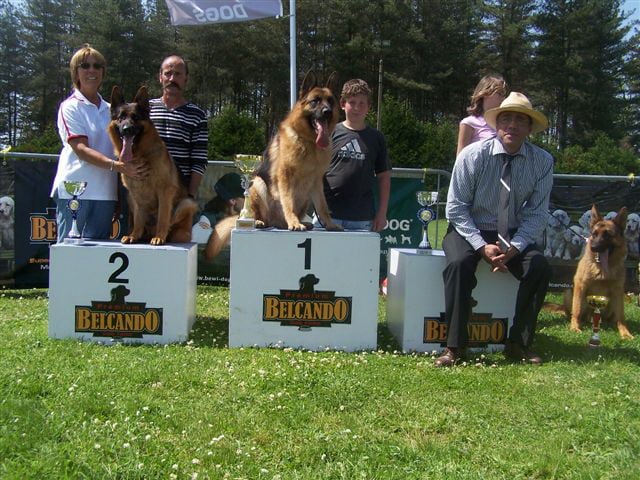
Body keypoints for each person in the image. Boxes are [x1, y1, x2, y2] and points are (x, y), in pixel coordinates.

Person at [436, 92, 554, 367]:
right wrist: (480, 245)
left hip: (512, 233)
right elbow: (455, 207)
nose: (512, 125)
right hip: (468, 228)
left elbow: (537, 212)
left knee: (539, 267)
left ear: (529, 128)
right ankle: (455, 346)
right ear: (496, 124)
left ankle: (519, 343)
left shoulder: (543, 161)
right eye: (506, 119)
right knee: (458, 263)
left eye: (520, 120)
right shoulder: (472, 155)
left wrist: (517, 246)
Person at [51, 44, 143, 243]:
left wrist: (117, 194)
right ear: (76, 72)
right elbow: (81, 149)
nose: (91, 70)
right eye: (85, 66)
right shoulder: (69, 107)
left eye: (97, 66)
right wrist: (117, 166)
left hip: (105, 194)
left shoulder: (113, 111)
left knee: (97, 257)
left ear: (103, 72)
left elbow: (119, 151)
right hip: (74, 192)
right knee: (69, 253)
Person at [315, 79, 391, 232]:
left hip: (362, 219)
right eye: (352, 102)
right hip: (327, 215)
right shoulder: (329, 132)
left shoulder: (376, 138)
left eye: (362, 103)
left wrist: (382, 213)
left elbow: (384, 177)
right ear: (343, 104)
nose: (357, 108)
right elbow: (314, 169)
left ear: (369, 107)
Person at [150, 55, 208, 198]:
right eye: (168, 73)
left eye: (177, 74)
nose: (172, 79)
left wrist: (190, 196)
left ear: (185, 79)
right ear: (160, 77)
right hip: (146, 193)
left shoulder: (197, 115)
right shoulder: (145, 110)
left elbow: (199, 161)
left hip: (178, 194)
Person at [456, 74, 507, 154]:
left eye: (503, 95)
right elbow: (460, 157)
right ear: (485, 94)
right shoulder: (469, 123)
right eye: (499, 93)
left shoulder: (503, 124)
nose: (503, 98)